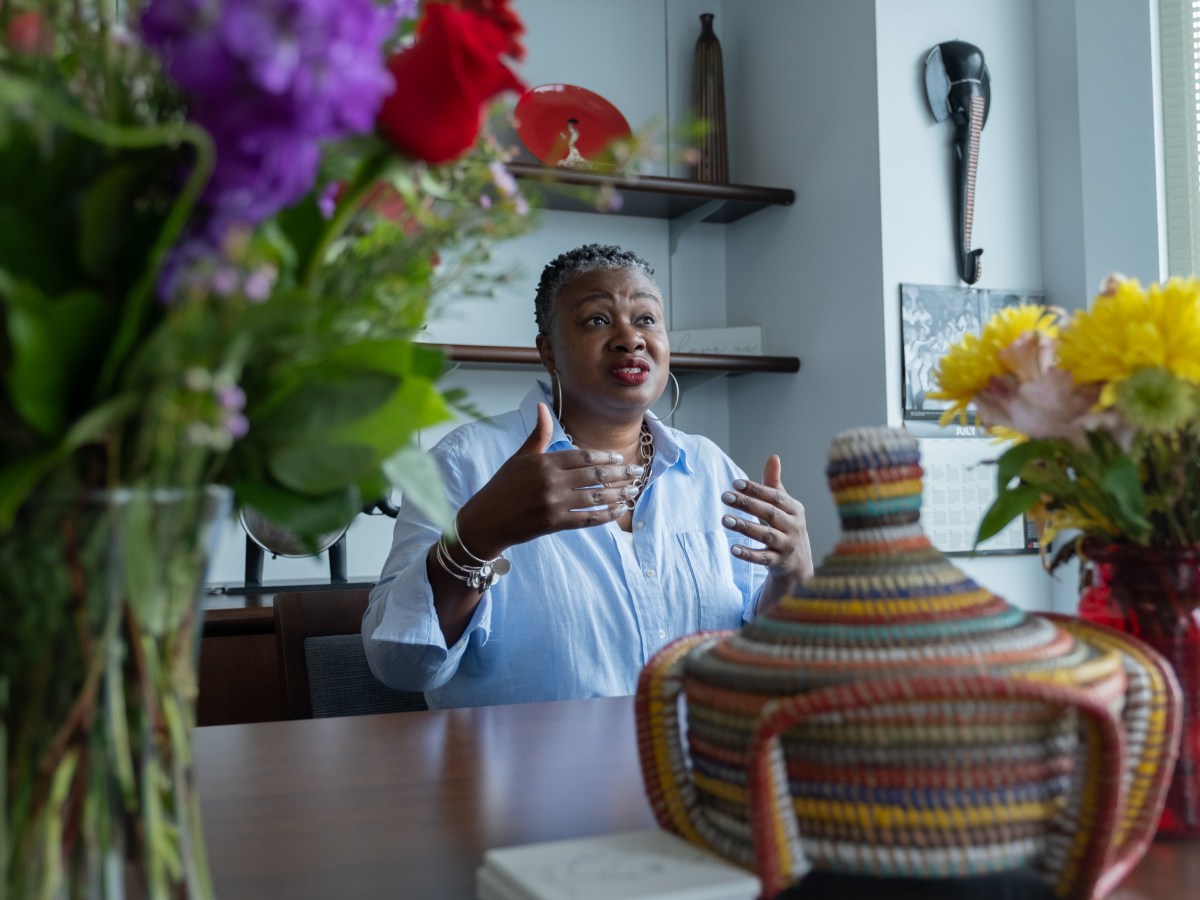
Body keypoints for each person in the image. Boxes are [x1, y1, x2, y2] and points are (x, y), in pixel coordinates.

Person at [362, 243, 813, 708]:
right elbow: (399, 665)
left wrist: (792, 574)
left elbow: (773, 665)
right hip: (525, 779)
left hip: (694, 772)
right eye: (597, 320)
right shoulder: (467, 462)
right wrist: (477, 536)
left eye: (646, 319)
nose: (629, 338)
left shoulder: (713, 471)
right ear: (548, 351)